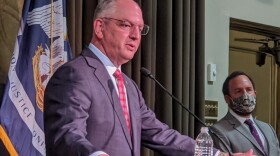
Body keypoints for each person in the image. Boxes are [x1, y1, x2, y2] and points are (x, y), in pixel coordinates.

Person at [44, 0, 255, 155]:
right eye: (126, 25)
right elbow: (66, 134)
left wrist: (215, 155)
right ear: (100, 27)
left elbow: (160, 135)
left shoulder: (129, 86)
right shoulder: (75, 74)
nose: (136, 35)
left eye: (140, 28)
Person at [209, 71, 280, 156]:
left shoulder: (268, 129)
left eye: (249, 90)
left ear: (255, 93)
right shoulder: (217, 131)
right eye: (238, 91)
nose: (245, 95)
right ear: (227, 99)